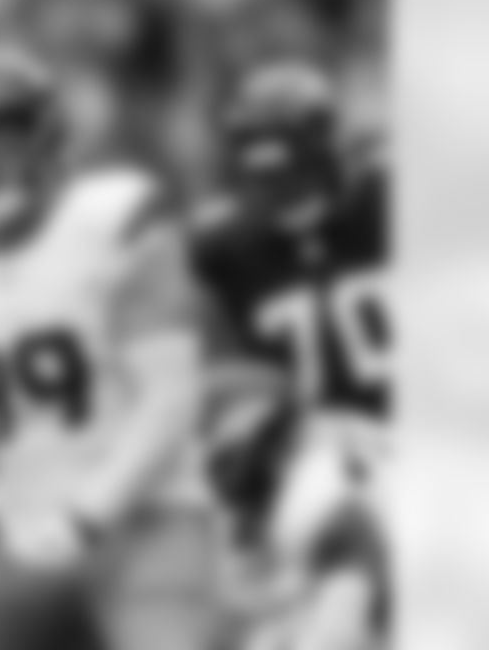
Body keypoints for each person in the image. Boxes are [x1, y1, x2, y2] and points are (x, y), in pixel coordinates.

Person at [0, 42, 215, 650]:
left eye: (0, 134)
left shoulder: (115, 220)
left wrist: (86, 517)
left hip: (150, 512)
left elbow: (171, 398)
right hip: (21, 534)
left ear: (47, 139)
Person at [192, 60, 389, 650]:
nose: (278, 190)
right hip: (313, 450)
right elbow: (214, 372)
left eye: (292, 172)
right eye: (263, 176)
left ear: (327, 151)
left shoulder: (393, 196)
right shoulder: (222, 247)